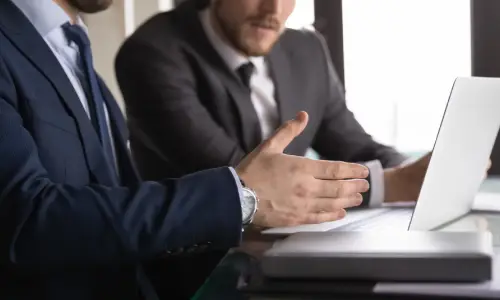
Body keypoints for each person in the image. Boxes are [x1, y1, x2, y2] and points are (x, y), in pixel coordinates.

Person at [0, 0, 371, 299]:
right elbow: (25, 223)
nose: (273, 9)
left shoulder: (71, 51)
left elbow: (116, 213)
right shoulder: (152, 51)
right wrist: (242, 197)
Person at [115, 0, 430, 209]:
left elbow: (354, 146)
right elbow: (242, 180)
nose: (273, 9)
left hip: (296, 247)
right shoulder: (152, 53)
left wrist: (415, 173)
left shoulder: (306, 50)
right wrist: (388, 186)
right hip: (201, 266)